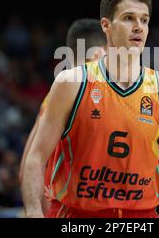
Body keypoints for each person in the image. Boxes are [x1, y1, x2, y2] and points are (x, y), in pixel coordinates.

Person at [22, 0, 159, 218]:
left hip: (141, 216)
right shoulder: (72, 82)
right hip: (79, 215)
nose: (139, 26)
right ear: (106, 25)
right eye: (128, 18)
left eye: (144, 20)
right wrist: (34, 211)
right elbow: (36, 157)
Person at [19, 18, 106, 214]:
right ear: (98, 54)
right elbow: (29, 164)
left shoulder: (65, 94)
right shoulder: (67, 94)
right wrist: (38, 212)